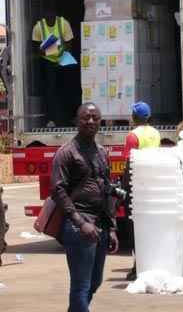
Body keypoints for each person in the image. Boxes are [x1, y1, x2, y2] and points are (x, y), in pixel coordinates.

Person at [51, 103, 119, 312]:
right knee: (81, 286)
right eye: (86, 117)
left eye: (95, 118)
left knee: (94, 282)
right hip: (79, 226)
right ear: (77, 121)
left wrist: (113, 227)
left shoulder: (101, 152)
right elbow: (58, 191)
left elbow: (107, 189)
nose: (90, 121)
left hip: (101, 226)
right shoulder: (67, 153)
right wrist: (80, 223)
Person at [122, 101, 161, 281]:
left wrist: (124, 188)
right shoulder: (156, 133)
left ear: (134, 117)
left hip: (136, 185)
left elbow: (129, 163)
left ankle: (139, 265)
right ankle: (150, 262)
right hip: (152, 184)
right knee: (150, 225)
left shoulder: (132, 136)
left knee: (135, 227)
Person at [32, 12, 75, 127]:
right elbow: (36, 48)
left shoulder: (63, 23)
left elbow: (69, 45)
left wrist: (61, 59)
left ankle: (67, 117)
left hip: (63, 61)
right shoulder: (38, 27)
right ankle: (51, 119)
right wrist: (50, 50)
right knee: (50, 90)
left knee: (66, 89)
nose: (49, 16)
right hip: (48, 62)